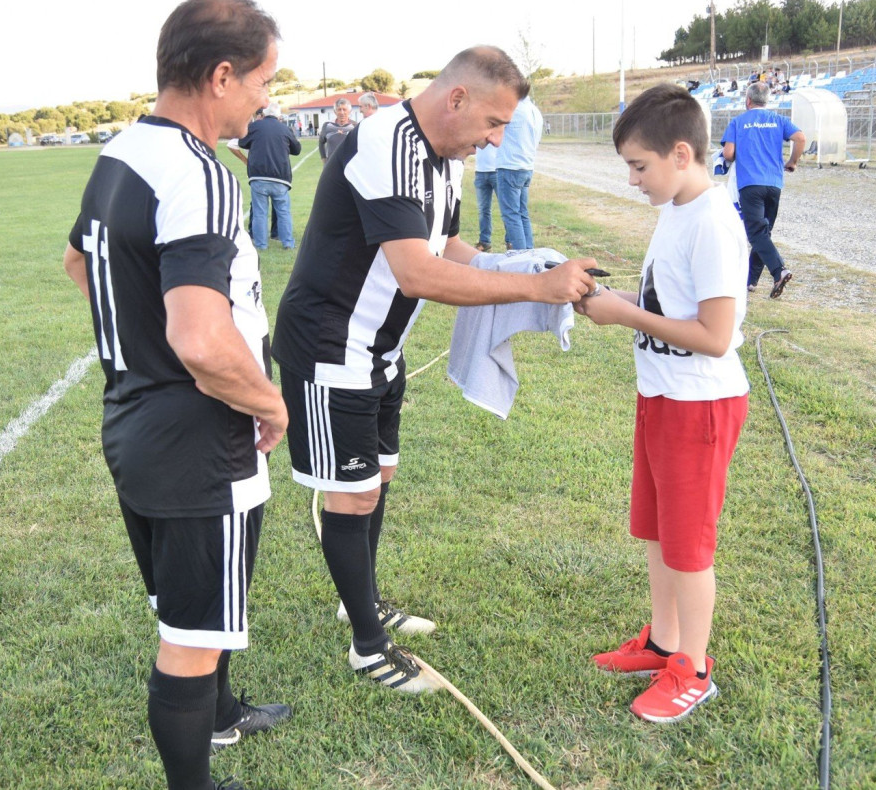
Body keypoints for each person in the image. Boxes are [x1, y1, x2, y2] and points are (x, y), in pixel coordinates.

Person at [272, 46, 596, 695]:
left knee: (378, 476)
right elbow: (417, 272)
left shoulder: (442, 159)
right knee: (353, 492)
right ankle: (369, 646)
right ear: (457, 100)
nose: (496, 138)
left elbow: (446, 246)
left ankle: (359, 601)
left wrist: (520, 267)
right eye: (494, 122)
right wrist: (537, 292)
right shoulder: (385, 142)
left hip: (378, 350)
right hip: (332, 346)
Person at [60, 2, 290, 788]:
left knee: (195, 605)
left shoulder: (122, 149)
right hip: (197, 433)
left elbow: (78, 264)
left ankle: (221, 716)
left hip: (133, 416)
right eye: (262, 80)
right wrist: (268, 401)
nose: (266, 99)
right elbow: (200, 339)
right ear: (221, 76)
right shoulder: (198, 172)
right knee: (190, 633)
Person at [574, 83, 749, 724]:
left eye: (638, 166)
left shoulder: (714, 223)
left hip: (699, 408)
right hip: (662, 398)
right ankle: (662, 641)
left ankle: (693, 670)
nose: (631, 180)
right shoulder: (678, 210)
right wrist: (622, 303)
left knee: (689, 547)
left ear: (682, 153)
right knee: (657, 533)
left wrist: (625, 316)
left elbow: (714, 336)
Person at [721, 80, 805, 298]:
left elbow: (729, 153)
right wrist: (792, 161)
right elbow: (800, 138)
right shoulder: (778, 120)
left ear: (748, 101)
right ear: (767, 101)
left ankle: (779, 270)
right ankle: (751, 281)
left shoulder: (738, 122)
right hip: (774, 184)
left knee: (756, 233)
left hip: (750, 184)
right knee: (763, 232)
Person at [229, 106, 302, 250]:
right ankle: (287, 243)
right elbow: (297, 150)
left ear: (264, 114)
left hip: (258, 175)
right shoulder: (285, 129)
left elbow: (242, 143)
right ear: (279, 116)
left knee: (260, 212)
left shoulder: (255, 126)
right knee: (283, 211)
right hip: (280, 176)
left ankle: (261, 244)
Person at [495, 92, 541, 250]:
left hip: (510, 166)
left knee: (511, 215)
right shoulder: (534, 110)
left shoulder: (513, 109)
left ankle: (521, 255)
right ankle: (529, 252)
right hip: (526, 166)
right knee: (522, 213)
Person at [472, 143, 498, 252]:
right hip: (480, 172)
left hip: (497, 170)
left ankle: (510, 240)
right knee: (483, 210)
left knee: (506, 210)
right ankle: (484, 241)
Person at [317, 97, 355, 162]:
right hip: (331, 164)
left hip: (349, 165)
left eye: (344, 109)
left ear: (349, 111)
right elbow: (321, 142)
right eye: (339, 109)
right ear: (335, 112)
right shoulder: (327, 125)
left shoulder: (355, 126)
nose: (342, 112)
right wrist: (323, 157)